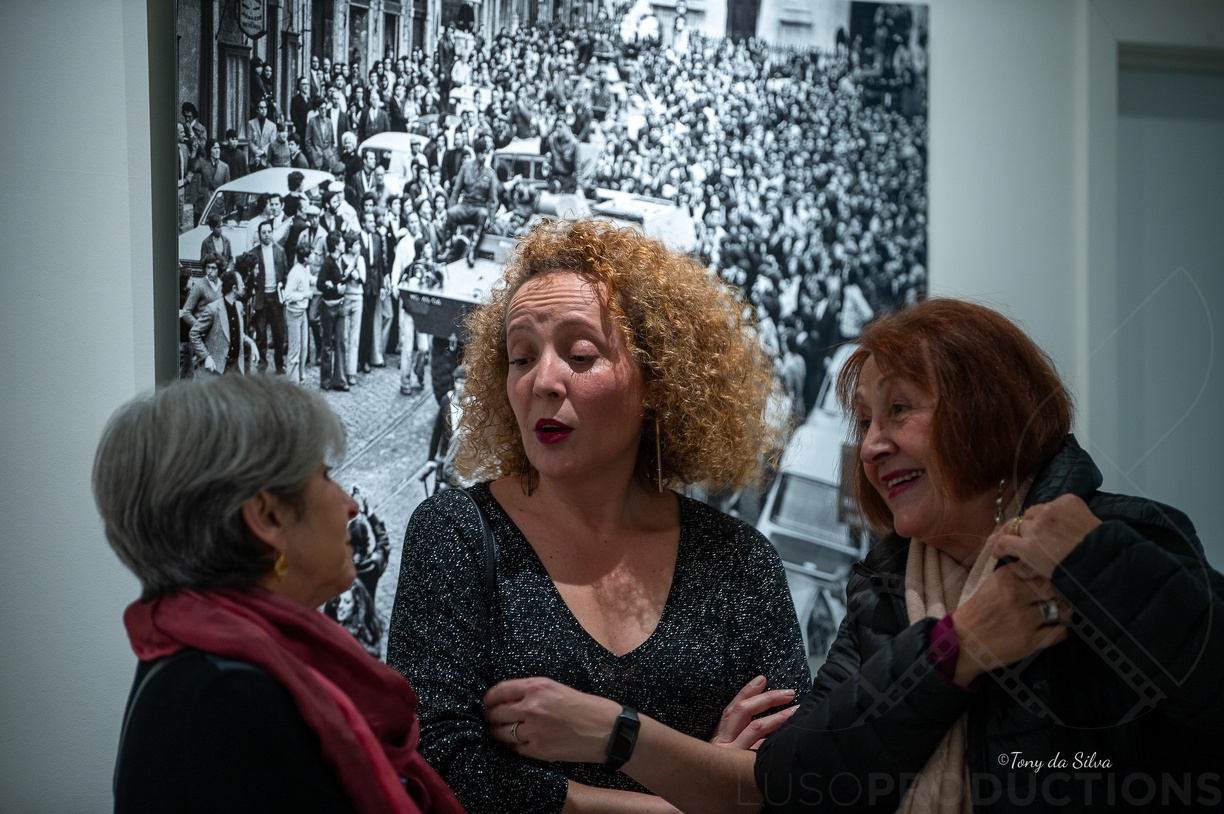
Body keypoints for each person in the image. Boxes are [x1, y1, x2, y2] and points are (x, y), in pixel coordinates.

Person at [387, 219, 809, 814]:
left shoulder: (739, 563)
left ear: (658, 379)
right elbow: (436, 773)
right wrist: (698, 789)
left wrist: (618, 733)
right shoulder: (456, 533)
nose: (542, 381)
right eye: (520, 357)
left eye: (580, 354)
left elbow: (793, 785)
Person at [751, 298, 1224, 810]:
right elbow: (793, 780)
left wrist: (1097, 563)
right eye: (865, 422)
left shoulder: (1125, 532)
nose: (870, 447)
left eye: (899, 409)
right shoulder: (883, 585)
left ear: (985, 408)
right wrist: (958, 646)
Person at [96, 374, 464, 814]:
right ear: (268, 516)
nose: (349, 504)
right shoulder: (232, 699)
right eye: (326, 476)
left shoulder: (221, 666)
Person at [188, 271, 258, 376]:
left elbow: (239, 334)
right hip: (218, 370)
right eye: (241, 282)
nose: (244, 285)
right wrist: (206, 357)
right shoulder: (213, 309)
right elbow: (194, 333)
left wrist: (252, 343)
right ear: (234, 288)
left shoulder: (238, 306)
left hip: (236, 369)